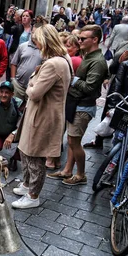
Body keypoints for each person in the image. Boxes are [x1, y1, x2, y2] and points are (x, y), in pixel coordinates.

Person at [12, 25, 72, 209]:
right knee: (26, 150)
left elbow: (35, 92)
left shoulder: (54, 64)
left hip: (43, 115)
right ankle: (27, 185)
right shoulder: (60, 59)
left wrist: (30, 83)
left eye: (37, 40)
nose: (35, 44)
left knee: (35, 155)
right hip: (40, 112)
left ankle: (33, 195)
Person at [48, 25, 108, 186]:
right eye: (79, 38)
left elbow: (89, 87)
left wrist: (73, 79)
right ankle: (68, 170)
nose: (79, 41)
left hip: (83, 106)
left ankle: (81, 175)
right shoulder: (89, 56)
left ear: (95, 40)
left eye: (83, 39)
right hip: (77, 104)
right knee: (72, 139)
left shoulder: (97, 61)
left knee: (74, 142)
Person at [10, 28, 43, 101]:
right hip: (18, 85)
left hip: (33, 87)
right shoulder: (22, 46)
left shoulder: (44, 49)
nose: (34, 35)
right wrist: (13, 79)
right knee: (16, 107)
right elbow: (14, 63)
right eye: (33, 32)